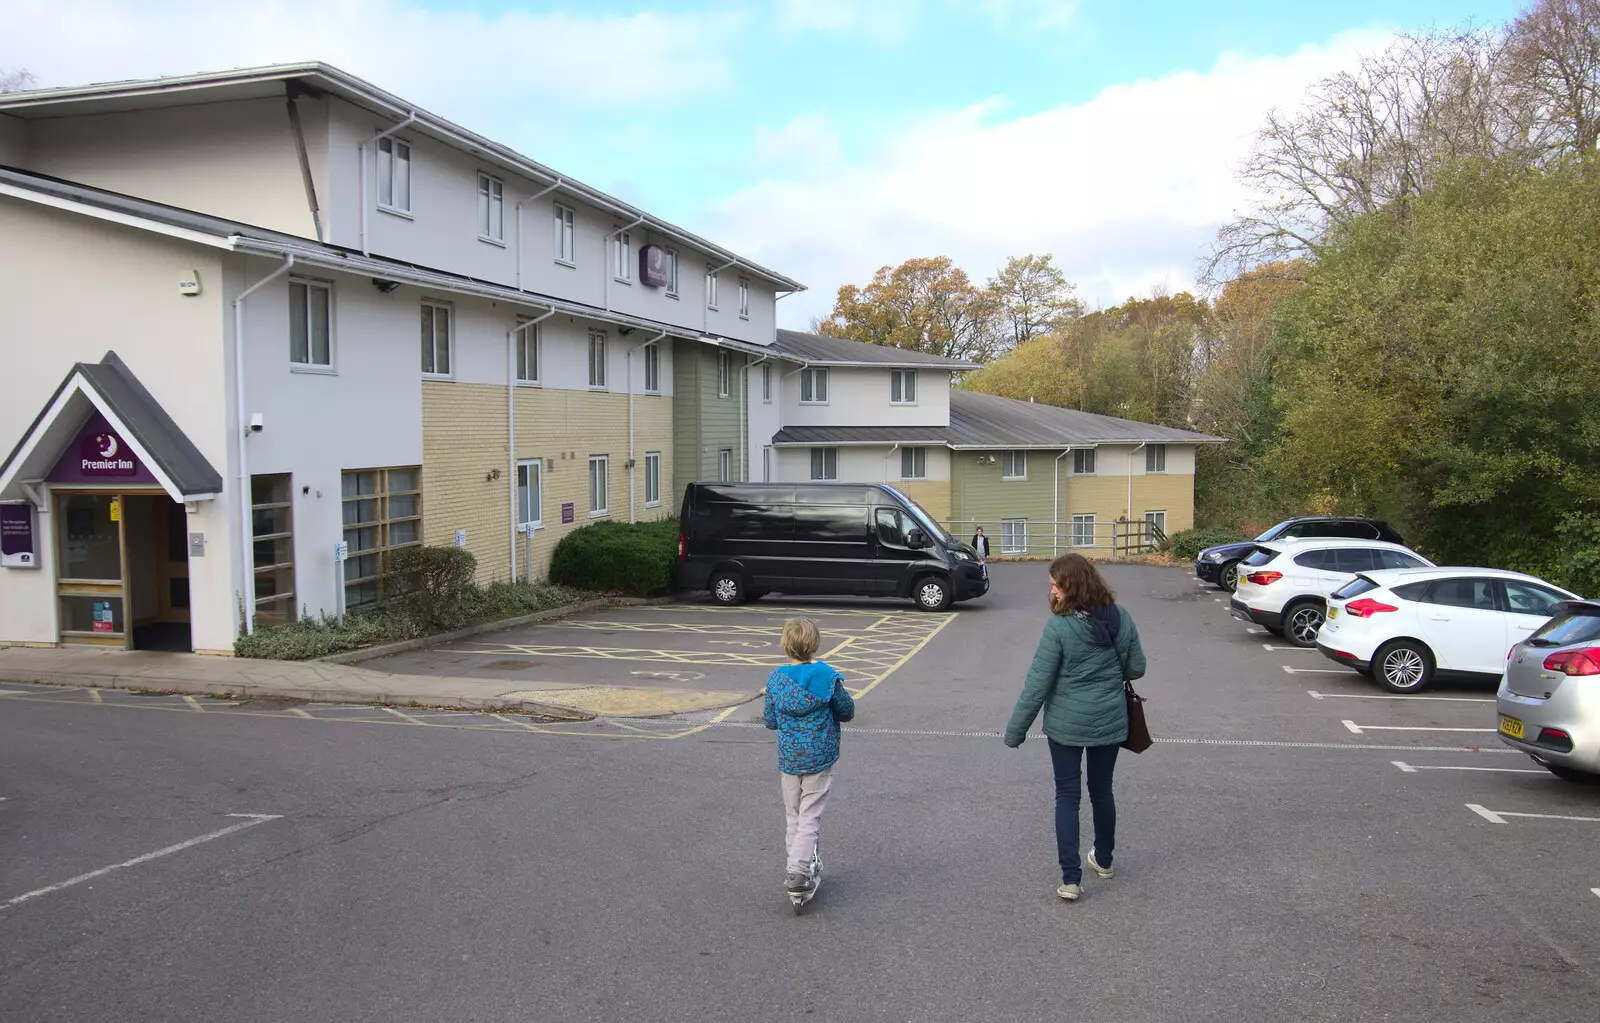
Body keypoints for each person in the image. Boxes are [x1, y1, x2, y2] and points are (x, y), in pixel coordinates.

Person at [1003, 553, 1146, 902]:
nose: (1052, 591)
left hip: (1066, 726)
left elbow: (1037, 685)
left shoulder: (1059, 628)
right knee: (1102, 790)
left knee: (1067, 796)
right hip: (1111, 721)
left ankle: (1070, 879)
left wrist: (1015, 732)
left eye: (1056, 585)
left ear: (1072, 586)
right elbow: (1137, 667)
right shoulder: (1120, 616)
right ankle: (1105, 860)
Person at [764, 617, 855, 895]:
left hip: (790, 758)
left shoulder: (776, 679)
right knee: (810, 816)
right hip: (819, 756)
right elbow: (846, 710)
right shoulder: (828, 676)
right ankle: (799, 871)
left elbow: (770, 721)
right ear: (814, 644)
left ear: (785, 645)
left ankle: (796, 865)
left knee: (794, 815)